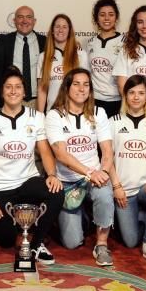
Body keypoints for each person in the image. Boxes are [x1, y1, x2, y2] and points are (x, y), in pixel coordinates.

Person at [0, 66, 63, 264]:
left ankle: (36, 244)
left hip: (27, 183)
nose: (13, 91)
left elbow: (45, 151)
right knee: (5, 240)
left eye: (18, 87)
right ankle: (15, 224)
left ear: (25, 92)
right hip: (0, 188)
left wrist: (51, 175)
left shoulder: (36, 117)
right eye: (8, 87)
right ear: (2, 91)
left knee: (56, 191)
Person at [45, 68, 116, 265]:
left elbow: (107, 151)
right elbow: (61, 154)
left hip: (93, 177)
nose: (81, 88)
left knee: (104, 192)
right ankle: (84, 216)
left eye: (86, 84)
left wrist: (102, 172)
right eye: (76, 83)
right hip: (68, 182)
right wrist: (89, 172)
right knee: (72, 242)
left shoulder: (98, 113)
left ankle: (101, 244)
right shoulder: (54, 115)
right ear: (67, 87)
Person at [107, 75, 146, 264]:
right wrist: (116, 186)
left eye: (141, 93)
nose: (136, 97)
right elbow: (107, 159)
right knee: (130, 241)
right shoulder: (114, 122)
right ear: (125, 96)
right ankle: (142, 217)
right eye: (132, 92)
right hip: (124, 189)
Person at [0, 6, 46, 108]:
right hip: (12, 100)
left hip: (39, 101)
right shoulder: (3, 41)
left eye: (28, 17)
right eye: (20, 17)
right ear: (14, 20)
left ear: (34, 21)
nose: (24, 21)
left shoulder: (46, 42)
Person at [37, 14, 89, 113]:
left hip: (76, 112)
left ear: (69, 31)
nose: (61, 30)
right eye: (57, 26)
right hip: (52, 112)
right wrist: (40, 116)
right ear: (52, 31)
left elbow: (86, 87)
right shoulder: (43, 57)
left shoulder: (81, 55)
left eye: (64, 27)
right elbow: (42, 90)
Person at [87, 0, 124, 117]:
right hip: (94, 101)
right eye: (102, 14)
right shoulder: (90, 42)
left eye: (111, 14)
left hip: (118, 101)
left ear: (116, 18)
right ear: (96, 18)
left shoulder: (125, 42)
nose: (106, 18)